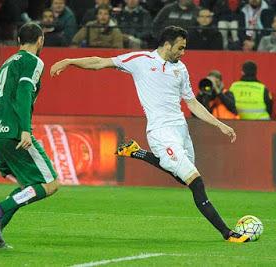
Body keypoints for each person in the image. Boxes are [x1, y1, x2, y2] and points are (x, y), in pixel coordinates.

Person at [50, 25, 250, 243]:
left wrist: (218, 124)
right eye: (180, 48)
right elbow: (100, 62)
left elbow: (191, 102)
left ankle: (137, 152)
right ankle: (227, 233)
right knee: (196, 182)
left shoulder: (180, 69)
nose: (183, 53)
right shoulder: (140, 60)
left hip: (181, 130)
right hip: (161, 132)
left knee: (183, 178)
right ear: (167, 44)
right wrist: (69, 61)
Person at [0, 22, 59, 248]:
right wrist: (25, 130)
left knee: (26, 186)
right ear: (40, 40)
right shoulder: (33, 62)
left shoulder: (7, 63)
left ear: (19, 41)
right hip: (14, 132)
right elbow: (23, 94)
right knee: (50, 184)